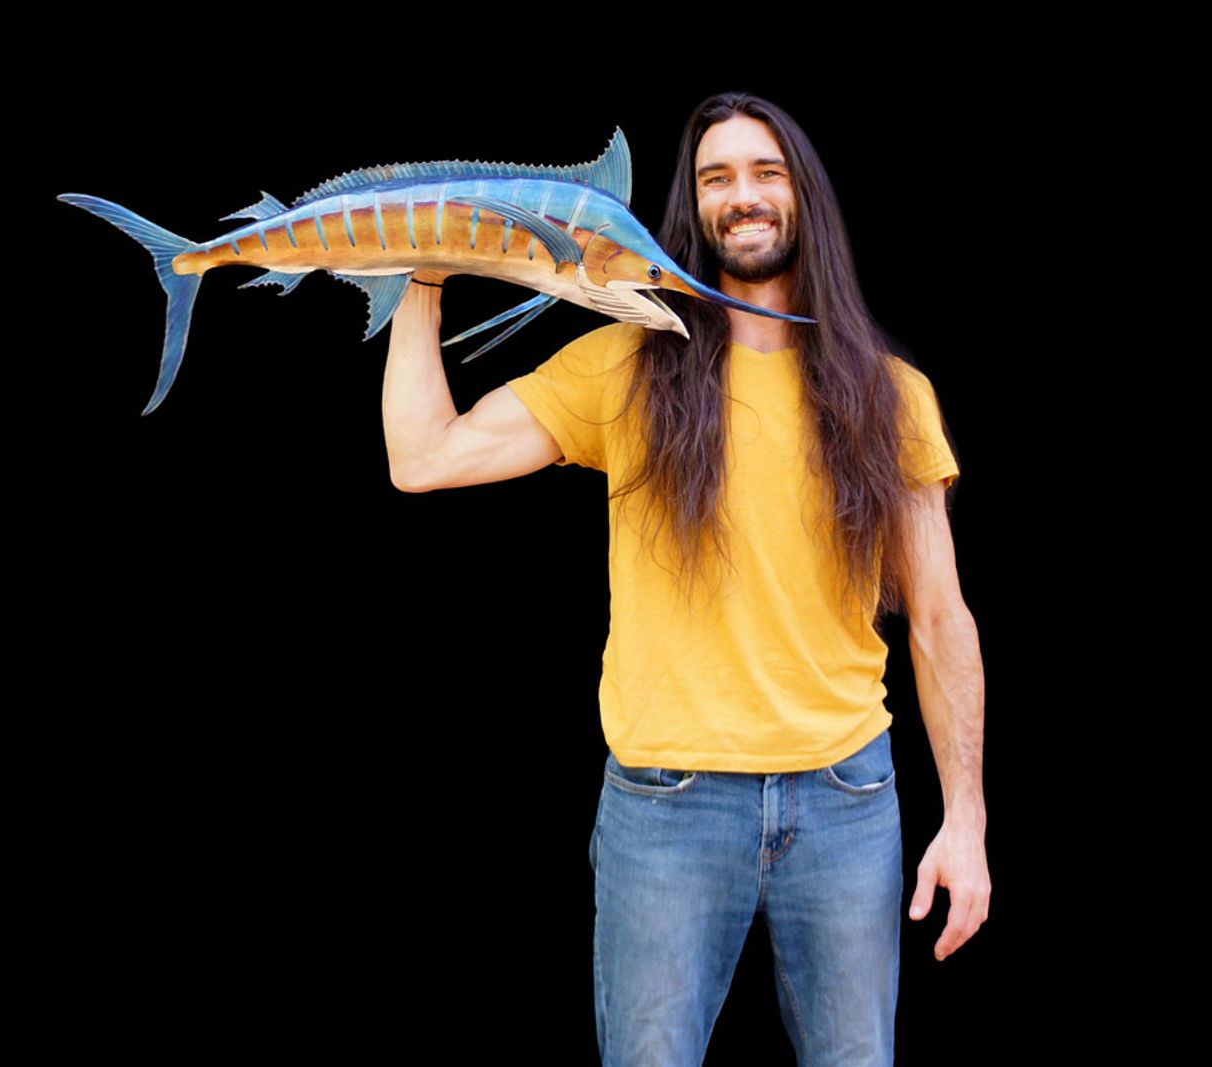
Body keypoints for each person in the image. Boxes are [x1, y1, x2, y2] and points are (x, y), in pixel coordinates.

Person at [380, 91, 987, 1067]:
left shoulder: (891, 394)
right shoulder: (624, 366)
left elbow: (940, 618)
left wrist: (967, 819)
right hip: (666, 806)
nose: (742, 195)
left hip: (846, 799)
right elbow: (424, 457)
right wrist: (424, 275)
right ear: (692, 206)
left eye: (765, 172)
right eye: (716, 177)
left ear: (803, 195)